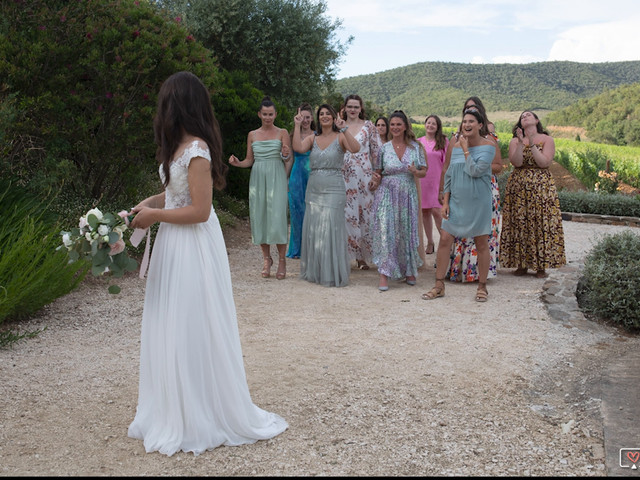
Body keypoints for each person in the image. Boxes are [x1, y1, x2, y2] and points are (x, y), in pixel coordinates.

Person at [127, 71, 288, 456]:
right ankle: (173, 405)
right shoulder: (177, 147)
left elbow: (199, 210)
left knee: (190, 320)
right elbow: (174, 193)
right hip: (173, 244)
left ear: (178, 104)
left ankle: (200, 411)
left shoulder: (197, 148)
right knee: (170, 319)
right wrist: (149, 204)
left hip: (193, 245)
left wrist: (155, 217)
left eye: (166, 100)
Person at [423, 108, 496, 302]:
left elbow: (475, 171)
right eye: (465, 121)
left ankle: (482, 287)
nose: (467, 125)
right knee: (445, 239)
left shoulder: (489, 146)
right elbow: (449, 174)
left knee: (480, 242)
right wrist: (445, 201)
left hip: (478, 203)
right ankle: (439, 285)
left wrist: (465, 149)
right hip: (455, 202)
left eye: (472, 121)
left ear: (480, 125)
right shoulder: (454, 145)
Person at [292, 104, 360, 287]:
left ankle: (332, 273)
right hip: (314, 188)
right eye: (321, 114)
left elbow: (355, 148)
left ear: (333, 117)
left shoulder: (340, 137)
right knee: (315, 227)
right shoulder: (313, 138)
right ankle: (316, 271)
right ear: (317, 118)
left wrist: (344, 129)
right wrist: (297, 125)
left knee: (330, 228)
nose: (324, 116)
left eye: (327, 114)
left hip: (334, 188)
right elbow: (297, 147)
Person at [229, 97, 292, 280]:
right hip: (258, 177)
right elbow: (250, 160)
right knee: (260, 216)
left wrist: (285, 154)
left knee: (278, 217)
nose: (267, 117)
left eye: (270, 114)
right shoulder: (252, 135)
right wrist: (238, 163)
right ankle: (266, 259)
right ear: (259, 114)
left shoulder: (282, 132)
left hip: (276, 176)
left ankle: (281, 260)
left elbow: (287, 158)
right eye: (264, 114)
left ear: (275, 114)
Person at [499, 110, 566, 277]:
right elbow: (517, 162)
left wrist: (532, 143)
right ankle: (521, 264)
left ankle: (541, 265)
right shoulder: (515, 141)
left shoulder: (547, 139)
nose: (524, 117)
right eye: (522, 116)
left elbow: (544, 162)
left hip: (541, 187)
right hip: (519, 187)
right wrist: (522, 143)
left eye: (528, 115)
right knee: (520, 223)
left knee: (540, 223)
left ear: (536, 120)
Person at [443, 97, 503, 282]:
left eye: (474, 110)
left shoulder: (490, 141)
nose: (469, 118)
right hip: (460, 189)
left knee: (481, 236)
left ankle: (480, 277)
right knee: (456, 234)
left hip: (483, 188)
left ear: (480, 117)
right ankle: (457, 270)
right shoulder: (455, 139)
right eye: (467, 111)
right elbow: (448, 168)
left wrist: (479, 167)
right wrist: (444, 194)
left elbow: (498, 166)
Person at [370, 110, 427, 291]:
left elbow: (424, 170)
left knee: (406, 230)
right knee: (387, 232)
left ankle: (408, 269)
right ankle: (384, 273)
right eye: (392, 124)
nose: (395, 127)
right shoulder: (384, 148)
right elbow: (378, 171)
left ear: (405, 126)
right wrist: (374, 179)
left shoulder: (415, 148)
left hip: (407, 193)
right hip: (387, 193)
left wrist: (415, 172)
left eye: (398, 124)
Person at [341, 94, 382, 270]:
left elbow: (377, 153)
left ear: (361, 108)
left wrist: (376, 176)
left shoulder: (369, 126)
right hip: (343, 177)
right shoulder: (339, 126)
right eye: (349, 106)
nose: (352, 110)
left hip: (364, 177)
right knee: (345, 216)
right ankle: (344, 256)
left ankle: (362, 257)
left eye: (356, 107)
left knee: (365, 216)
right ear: (344, 108)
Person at [286, 103, 315, 259]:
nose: (305, 120)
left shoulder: (318, 135)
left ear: (312, 118)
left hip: (313, 176)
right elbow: (289, 159)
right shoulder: (292, 136)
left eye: (308, 117)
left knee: (313, 211)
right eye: (302, 117)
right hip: (297, 176)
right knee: (297, 212)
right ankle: (297, 249)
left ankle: (311, 248)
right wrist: (286, 179)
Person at [417, 114, 449, 255]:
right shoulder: (418, 142)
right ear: (425, 125)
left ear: (437, 127)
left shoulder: (443, 141)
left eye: (433, 124)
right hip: (423, 180)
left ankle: (445, 241)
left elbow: (447, 163)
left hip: (437, 180)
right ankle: (430, 242)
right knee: (425, 212)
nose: (430, 125)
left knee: (437, 211)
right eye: (428, 122)